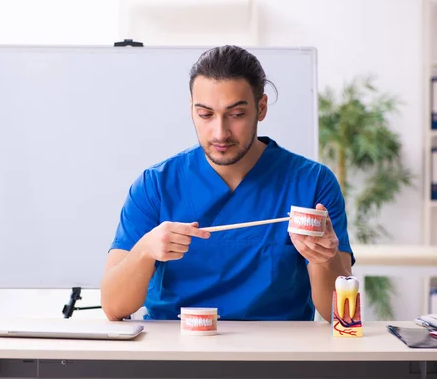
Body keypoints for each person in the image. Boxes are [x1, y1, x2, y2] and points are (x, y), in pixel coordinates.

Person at [100, 45, 354, 323]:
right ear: (192, 110)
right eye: (205, 115)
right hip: (174, 356)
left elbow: (340, 316)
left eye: (236, 115)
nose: (220, 133)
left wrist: (325, 258)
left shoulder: (312, 183)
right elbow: (114, 307)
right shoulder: (155, 186)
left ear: (261, 107)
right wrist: (145, 251)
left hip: (277, 357)